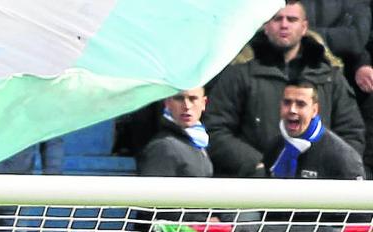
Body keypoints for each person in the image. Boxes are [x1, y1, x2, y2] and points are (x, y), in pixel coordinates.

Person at [203, 1, 365, 177]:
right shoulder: (238, 74)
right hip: (254, 186)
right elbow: (215, 129)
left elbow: (352, 133)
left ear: (304, 27)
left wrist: (324, 166)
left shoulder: (331, 78)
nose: (284, 24)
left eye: (292, 19)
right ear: (265, 25)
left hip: (319, 189)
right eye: (277, 19)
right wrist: (258, 165)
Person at [266, 80, 366, 179]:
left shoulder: (342, 157)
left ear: (314, 110)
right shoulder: (275, 147)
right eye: (287, 103)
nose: (292, 110)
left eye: (301, 104)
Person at [138, 87, 212, 177]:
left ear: (203, 103)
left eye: (193, 99)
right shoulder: (163, 147)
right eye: (179, 98)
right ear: (167, 103)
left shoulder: (198, 141)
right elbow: (152, 190)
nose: (187, 106)